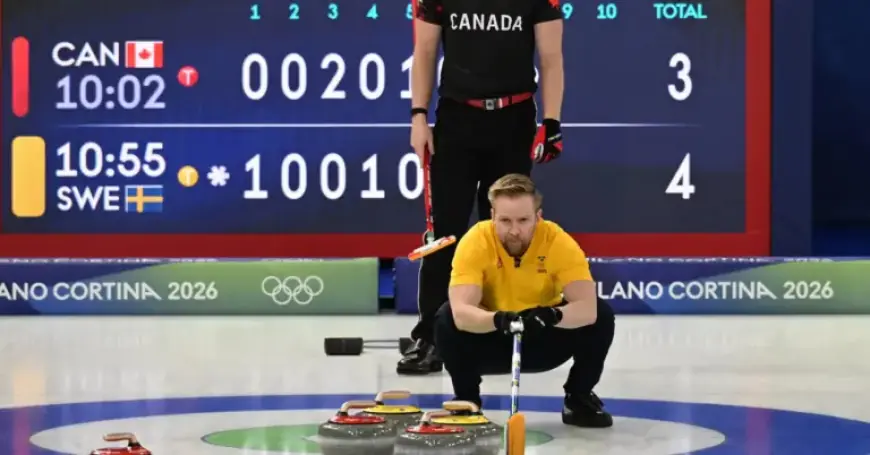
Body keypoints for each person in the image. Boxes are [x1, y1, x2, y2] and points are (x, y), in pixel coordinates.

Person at [398, 0, 566, 375]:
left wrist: (552, 121)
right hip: (457, 118)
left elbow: (551, 56)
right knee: (446, 232)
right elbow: (424, 51)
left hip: (514, 119)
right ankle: (431, 336)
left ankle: (495, 329)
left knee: (506, 231)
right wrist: (418, 117)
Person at [433, 174, 615, 427]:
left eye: (523, 220)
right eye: (505, 220)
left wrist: (552, 315)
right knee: (445, 318)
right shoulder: (475, 241)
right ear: (492, 216)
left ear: (538, 217)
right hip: (490, 337)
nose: (515, 231)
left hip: (541, 336)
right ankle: (466, 400)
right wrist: (498, 320)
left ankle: (579, 396)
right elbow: (462, 313)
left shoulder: (557, 241)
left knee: (603, 316)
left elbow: (588, 309)